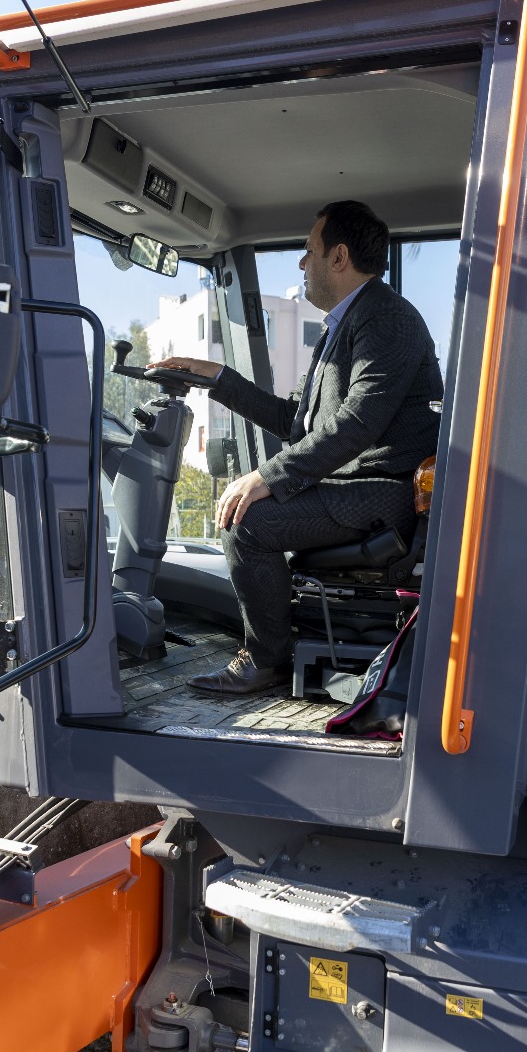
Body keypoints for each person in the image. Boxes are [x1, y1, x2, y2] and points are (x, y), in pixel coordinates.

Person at [151, 200, 442, 694]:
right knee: (252, 512)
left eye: (309, 252)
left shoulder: (387, 318)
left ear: (338, 257)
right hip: (354, 484)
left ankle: (263, 661)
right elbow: (298, 421)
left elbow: (358, 422)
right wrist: (217, 378)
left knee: (246, 525)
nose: (302, 264)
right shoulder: (345, 325)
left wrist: (267, 477)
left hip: (384, 491)